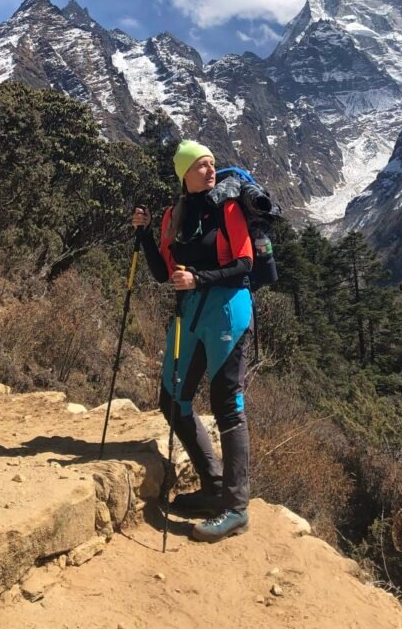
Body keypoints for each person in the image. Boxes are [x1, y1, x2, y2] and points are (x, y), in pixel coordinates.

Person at [131, 140, 253, 543]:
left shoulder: (228, 207)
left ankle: (235, 508)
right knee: (172, 399)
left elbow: (245, 263)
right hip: (191, 316)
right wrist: (145, 234)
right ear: (184, 173)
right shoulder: (173, 216)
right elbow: (163, 273)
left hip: (227, 313)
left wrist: (200, 279)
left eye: (212, 163)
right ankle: (214, 487)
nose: (210, 170)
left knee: (227, 406)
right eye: (201, 165)